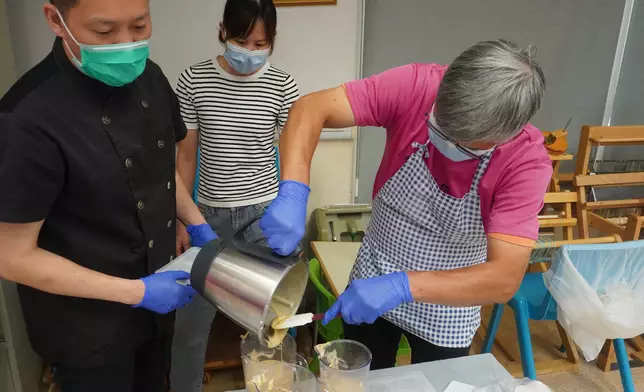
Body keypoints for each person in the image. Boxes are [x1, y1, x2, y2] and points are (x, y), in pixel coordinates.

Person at [260, 39, 553, 369]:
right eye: (441, 126)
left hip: (449, 302)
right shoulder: (417, 85)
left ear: (505, 135)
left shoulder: (525, 162)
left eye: (465, 143)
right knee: (358, 380)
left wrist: (402, 286)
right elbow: (311, 108)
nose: (448, 144)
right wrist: (294, 191)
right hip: (372, 277)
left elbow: (504, 278)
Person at [0, 1, 218, 391]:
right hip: (86, 332)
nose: (126, 44)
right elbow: (11, 255)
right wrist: (137, 292)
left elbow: (159, 164)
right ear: (56, 20)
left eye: (139, 25)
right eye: (104, 32)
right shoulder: (26, 119)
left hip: (155, 309)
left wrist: (196, 221)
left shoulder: (150, 77)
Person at [171, 0, 299, 390]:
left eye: (261, 44)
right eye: (242, 40)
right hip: (204, 218)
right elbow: (186, 155)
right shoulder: (193, 80)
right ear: (222, 30)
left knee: (273, 323)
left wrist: (291, 212)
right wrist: (181, 218)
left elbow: (293, 158)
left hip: (262, 218)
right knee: (189, 328)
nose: (250, 52)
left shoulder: (283, 86)